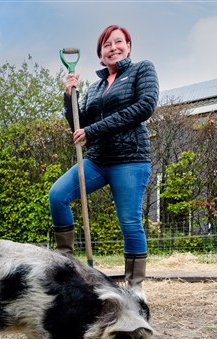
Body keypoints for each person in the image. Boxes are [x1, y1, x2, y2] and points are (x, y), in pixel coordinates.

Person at [49, 24, 159, 299]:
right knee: (58, 195)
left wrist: (93, 131)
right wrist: (68, 96)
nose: (113, 48)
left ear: (129, 46)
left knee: (129, 221)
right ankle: (67, 267)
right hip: (98, 160)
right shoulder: (95, 87)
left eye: (118, 42)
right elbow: (79, 123)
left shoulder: (142, 70)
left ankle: (135, 286)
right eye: (107, 45)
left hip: (130, 160)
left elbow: (143, 107)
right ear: (100, 54)